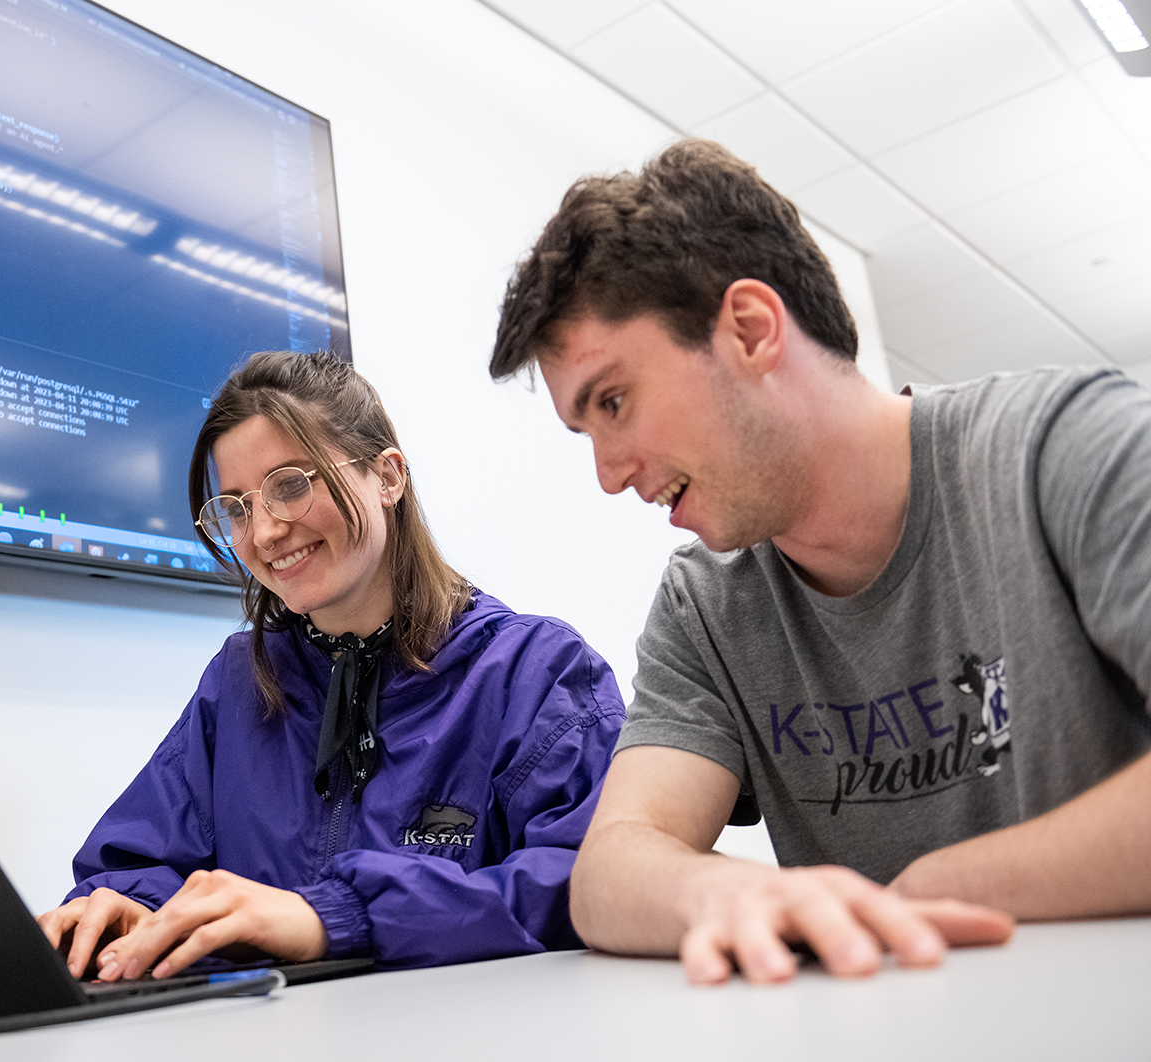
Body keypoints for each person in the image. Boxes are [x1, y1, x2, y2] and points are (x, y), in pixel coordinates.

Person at [489, 138, 1151, 985]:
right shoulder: (707, 607)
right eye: (588, 431)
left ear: (752, 330)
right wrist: (717, 893)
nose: (611, 473)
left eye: (614, 402)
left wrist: (938, 885)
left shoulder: (1059, 450)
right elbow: (609, 873)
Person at [36, 350, 625, 981]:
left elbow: (594, 882)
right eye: (236, 507)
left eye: (290, 484)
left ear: (388, 477)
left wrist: (336, 917)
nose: (263, 532)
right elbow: (135, 862)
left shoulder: (538, 675)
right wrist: (126, 910)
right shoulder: (237, 683)